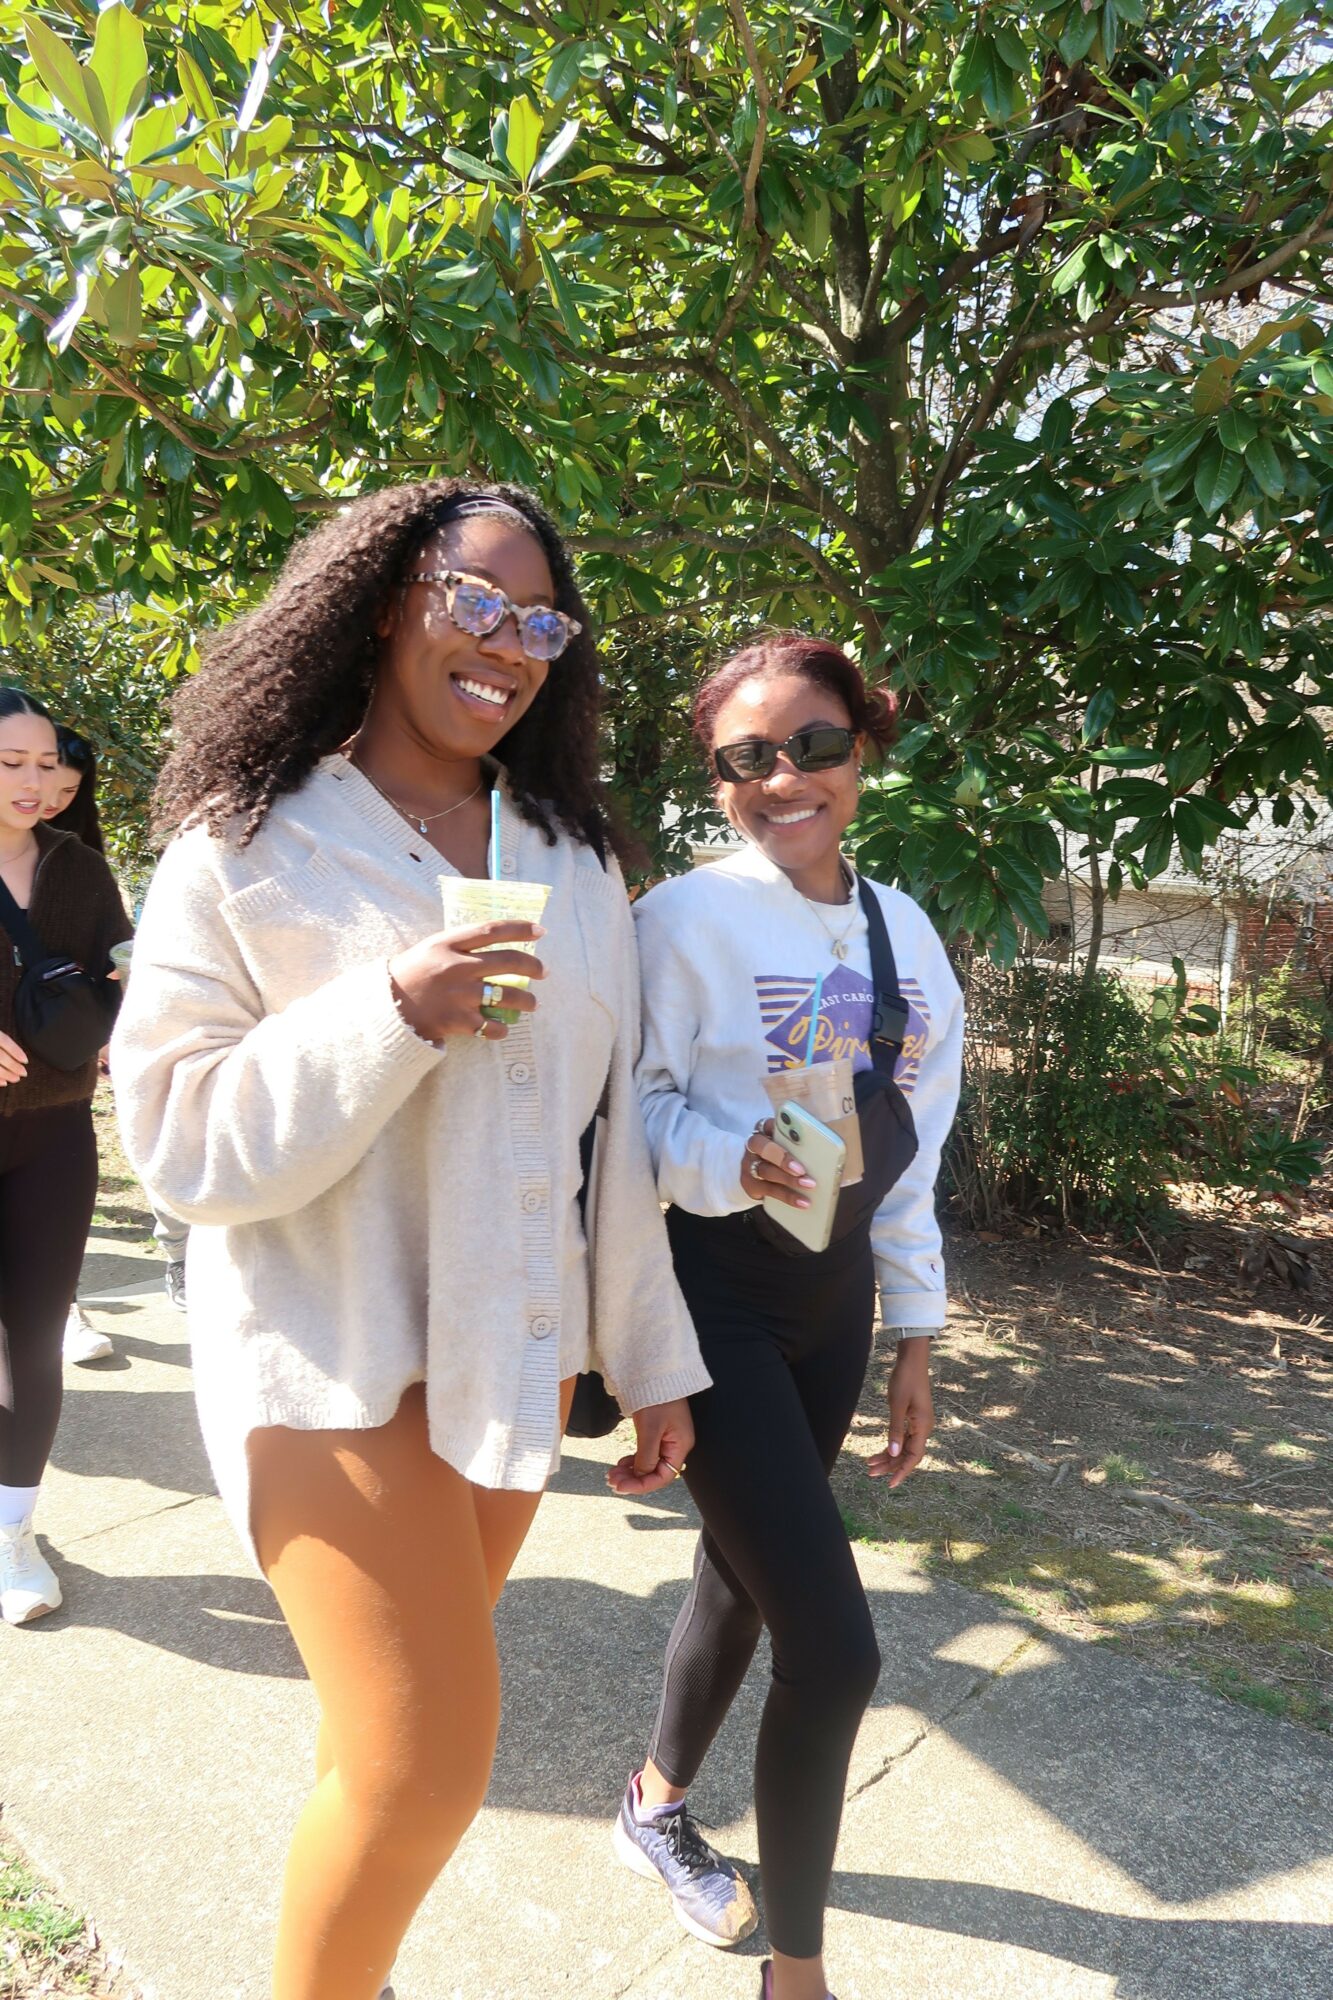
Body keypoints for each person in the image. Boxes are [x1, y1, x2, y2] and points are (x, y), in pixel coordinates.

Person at [111, 479, 709, 2000]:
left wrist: (648, 1354)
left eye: (541, 625)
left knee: (374, 1745)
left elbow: (605, 1143)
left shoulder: (574, 862)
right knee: (426, 1759)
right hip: (325, 1354)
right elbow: (177, 1142)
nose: (508, 645)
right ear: (386, 601)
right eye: (477, 601)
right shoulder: (242, 848)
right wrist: (393, 1010)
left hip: (507, 1358)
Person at [615, 634, 964, 2000]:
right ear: (715, 777)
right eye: (745, 756)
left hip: (834, 1301)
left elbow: (909, 1149)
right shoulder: (682, 919)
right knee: (836, 1646)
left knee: (741, 1574)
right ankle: (797, 1975)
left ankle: (652, 1803)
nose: (784, 777)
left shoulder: (906, 932)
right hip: (714, 1293)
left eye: (813, 743)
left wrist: (915, 1331)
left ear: (861, 748)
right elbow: (630, 1112)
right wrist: (729, 1156)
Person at [0, 689, 132, 1624]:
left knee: (32, 1342)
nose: (35, 780)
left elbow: (123, 970)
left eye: (47, 762)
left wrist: (134, 988)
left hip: (54, 1134)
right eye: (11, 762)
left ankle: (11, 1531)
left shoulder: (79, 868)